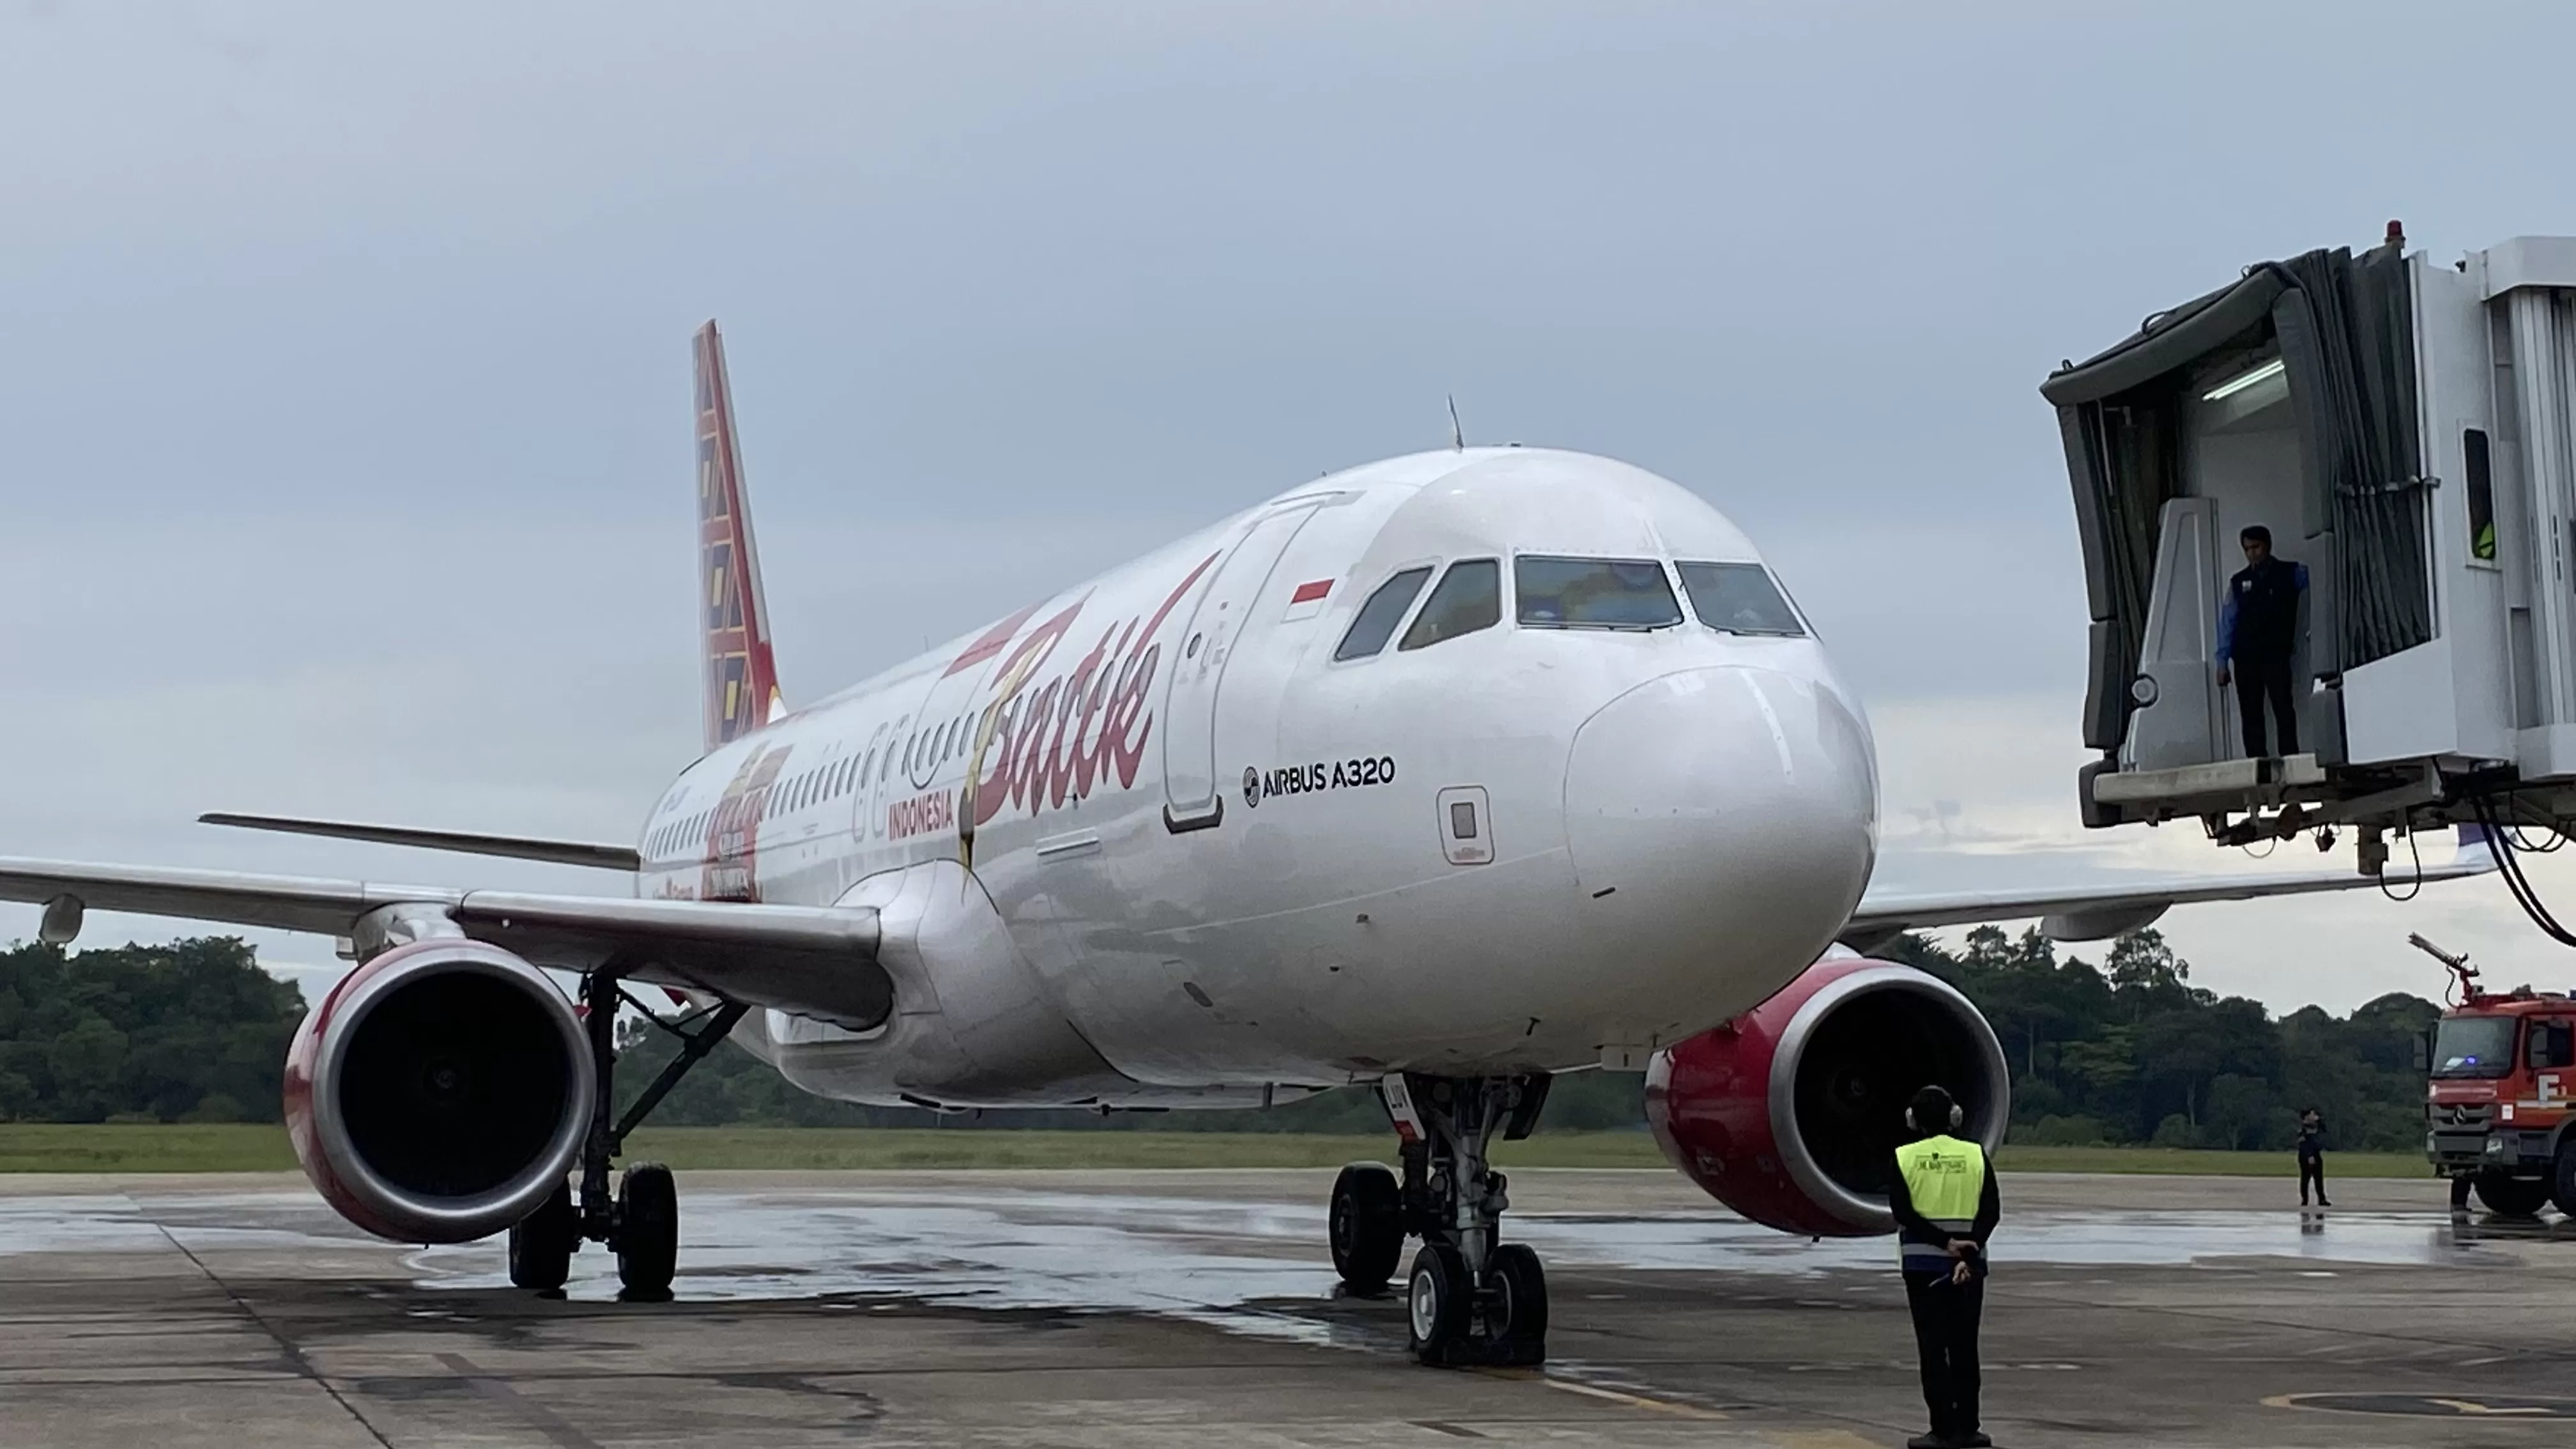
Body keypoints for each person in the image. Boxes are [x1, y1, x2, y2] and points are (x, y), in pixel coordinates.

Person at [1890, 1085, 1999, 1449]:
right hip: (1969, 1266)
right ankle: (1969, 1429)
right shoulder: (1976, 1155)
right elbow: (1991, 1211)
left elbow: (1903, 1213)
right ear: (1955, 1117)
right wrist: (1968, 1249)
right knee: (1965, 1346)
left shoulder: (1904, 1157)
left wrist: (1943, 1243)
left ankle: (1941, 1429)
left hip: (1924, 1265)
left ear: (1913, 1120)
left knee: (1933, 1348)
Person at [2215, 525, 2309, 758]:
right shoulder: (2238, 582)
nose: (2252, 554)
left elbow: (2323, 584)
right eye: (2247, 549)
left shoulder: (2292, 572)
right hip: (2246, 657)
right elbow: (2228, 621)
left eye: (2256, 547)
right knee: (2251, 713)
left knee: (2283, 708)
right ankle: (2257, 762)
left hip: (2276, 654)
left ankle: (2290, 759)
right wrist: (2221, 661)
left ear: (2267, 545)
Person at [2296, 1107, 2329, 1208]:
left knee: (2319, 1178)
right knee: (2306, 1178)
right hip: (2306, 1155)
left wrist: (2319, 1120)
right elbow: (2304, 1144)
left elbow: (2325, 1130)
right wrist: (2309, 1155)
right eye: (2312, 1114)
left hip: (2316, 1153)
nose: (2314, 1116)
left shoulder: (2317, 1127)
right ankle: (2305, 1200)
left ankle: (2322, 1199)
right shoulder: (2303, 1130)